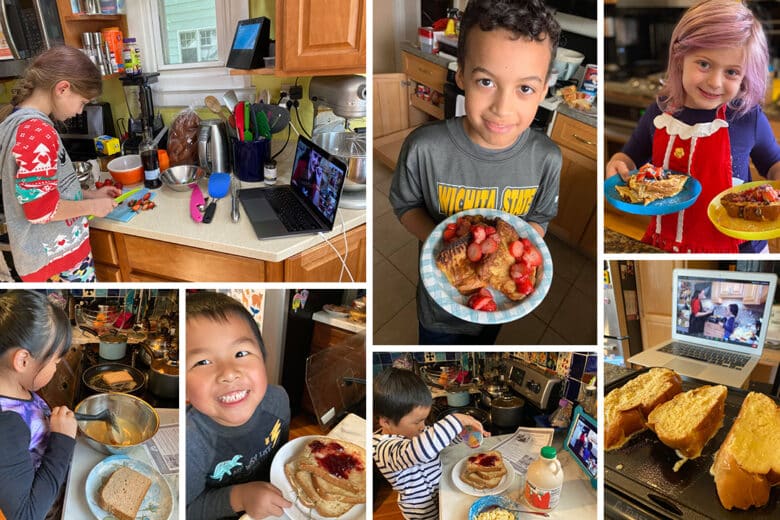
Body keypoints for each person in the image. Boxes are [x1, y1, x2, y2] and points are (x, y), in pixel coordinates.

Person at [389, 0, 562, 344]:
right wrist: (445, 244)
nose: (502, 108)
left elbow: (540, 216)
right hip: (438, 307)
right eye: (486, 81)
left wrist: (516, 258)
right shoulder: (424, 147)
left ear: (544, 90)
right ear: (461, 74)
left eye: (525, 88)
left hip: (496, 304)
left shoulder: (547, 159)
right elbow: (405, 206)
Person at [605, 0, 780, 253]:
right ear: (680, 58)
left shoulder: (748, 117)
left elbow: (773, 163)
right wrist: (618, 162)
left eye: (731, 72)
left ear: (745, 76)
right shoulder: (660, 111)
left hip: (739, 247)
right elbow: (629, 156)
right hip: (667, 244)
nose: (715, 82)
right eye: (704, 64)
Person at [0, 46, 121, 282]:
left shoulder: (16, 120)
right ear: (62, 88)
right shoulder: (36, 132)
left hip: (50, 260)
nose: (80, 111)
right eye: (83, 102)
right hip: (57, 263)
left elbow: (38, 193)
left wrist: (88, 195)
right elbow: (41, 210)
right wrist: (93, 208)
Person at [186, 292, 292, 520]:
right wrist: (241, 497)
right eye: (202, 362)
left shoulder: (278, 401)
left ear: (264, 359)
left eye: (241, 353)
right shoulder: (191, 443)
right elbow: (187, 510)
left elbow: (283, 459)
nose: (228, 372)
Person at [373, 367, 489, 519]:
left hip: (440, 494)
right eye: (417, 421)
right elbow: (421, 450)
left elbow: (438, 441)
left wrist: (461, 434)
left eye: (424, 419)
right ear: (386, 422)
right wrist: (457, 420)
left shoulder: (415, 431)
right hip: (421, 513)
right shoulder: (383, 449)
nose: (423, 426)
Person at [0, 290, 77, 520]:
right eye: (55, 361)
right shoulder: (6, 426)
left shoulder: (19, 386)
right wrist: (62, 441)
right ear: (23, 360)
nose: (56, 368)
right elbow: (27, 514)